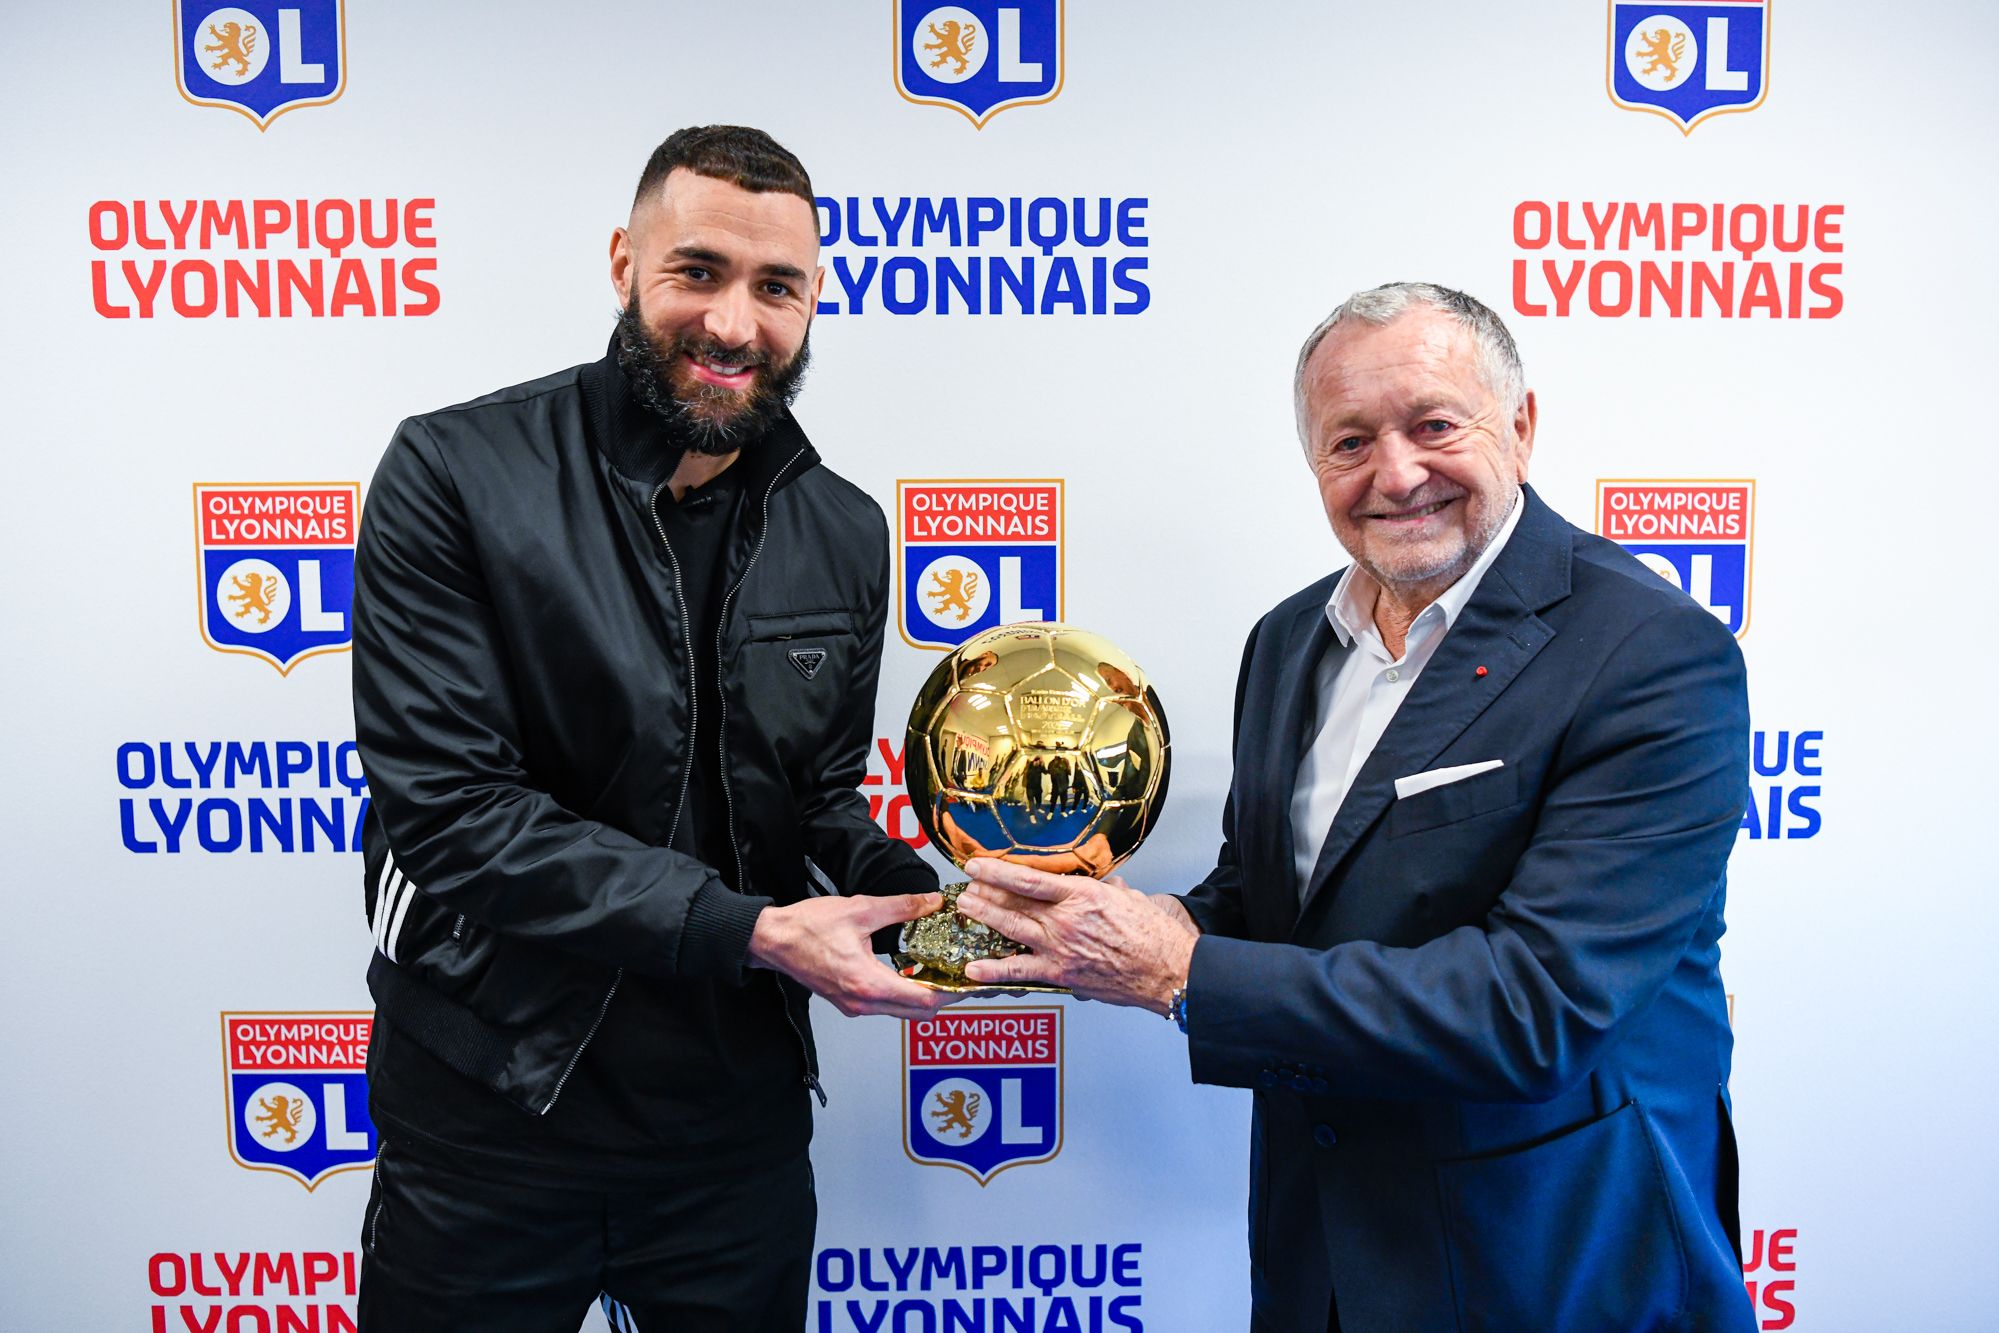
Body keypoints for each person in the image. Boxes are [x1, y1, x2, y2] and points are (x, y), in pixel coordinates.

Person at [956, 283, 1758, 1331]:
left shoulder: (1650, 653)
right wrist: (1080, 931)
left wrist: (1177, 969)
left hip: (1552, 1258)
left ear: (1518, 427)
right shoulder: (1287, 641)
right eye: (1348, 442)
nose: (1395, 474)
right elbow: (1272, 895)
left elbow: (1534, 1009)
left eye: (1433, 425)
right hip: (1321, 1250)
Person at [349, 125, 953, 1333]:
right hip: (493, 1108)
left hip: (734, 1138)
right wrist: (754, 930)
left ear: (812, 299)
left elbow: (820, 798)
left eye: (776, 287)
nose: (736, 324)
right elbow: (454, 814)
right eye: (700, 271)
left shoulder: (842, 526)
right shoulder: (454, 471)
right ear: (626, 261)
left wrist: (922, 900)